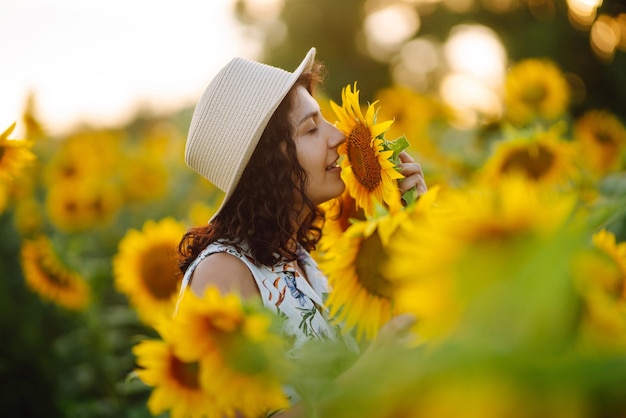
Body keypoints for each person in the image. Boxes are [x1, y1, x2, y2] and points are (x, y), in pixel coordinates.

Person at [176, 47, 426, 415]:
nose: (337, 136)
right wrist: (374, 367)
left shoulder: (301, 261)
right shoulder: (223, 272)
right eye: (311, 128)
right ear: (268, 163)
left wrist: (414, 218)